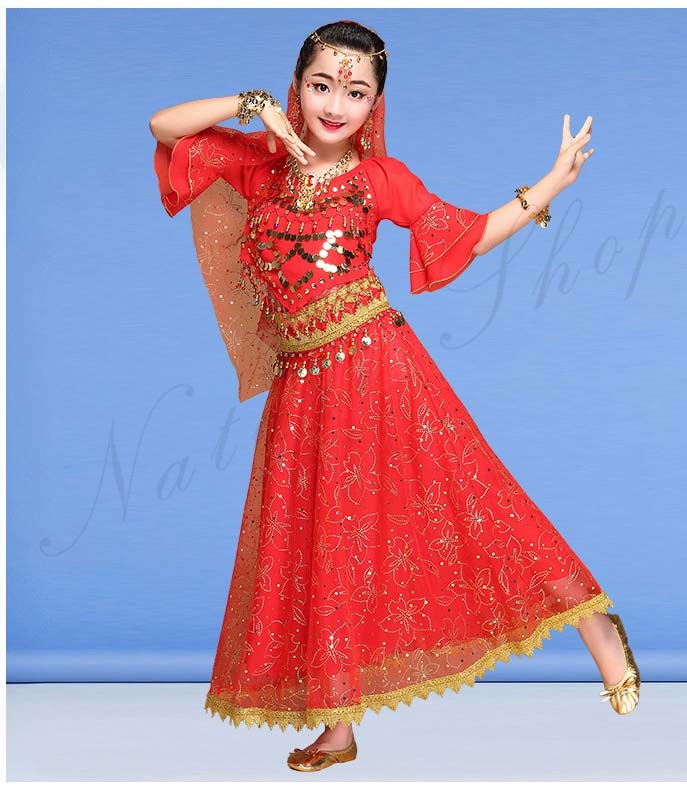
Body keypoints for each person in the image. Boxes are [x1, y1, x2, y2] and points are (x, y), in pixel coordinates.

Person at [150, 19, 640, 774]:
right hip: (302, 389)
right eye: (321, 85)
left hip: (376, 366)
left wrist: (551, 185)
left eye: (355, 92)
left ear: (374, 104)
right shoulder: (261, 167)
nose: (335, 105)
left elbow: (470, 234)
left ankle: (595, 624)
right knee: (325, 545)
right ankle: (338, 728)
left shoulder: (379, 179)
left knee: (476, 499)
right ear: (296, 86)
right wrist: (250, 105)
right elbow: (166, 128)